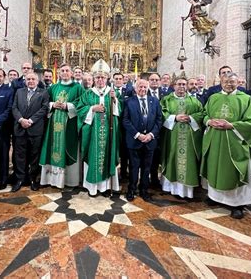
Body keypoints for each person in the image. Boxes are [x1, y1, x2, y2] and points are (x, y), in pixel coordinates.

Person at [200, 72, 251, 219]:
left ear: (238, 82)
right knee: (215, 168)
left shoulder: (245, 99)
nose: (228, 84)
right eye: (226, 81)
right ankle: (215, 197)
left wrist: (231, 125)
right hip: (215, 140)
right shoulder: (214, 98)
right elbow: (204, 114)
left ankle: (237, 204)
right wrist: (209, 122)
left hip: (236, 142)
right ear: (221, 82)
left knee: (234, 171)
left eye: (232, 82)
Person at [77, 60, 122, 196]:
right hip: (92, 134)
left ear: (107, 78)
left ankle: (107, 187)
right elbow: (80, 109)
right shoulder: (88, 94)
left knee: (108, 156)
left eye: (103, 77)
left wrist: (115, 101)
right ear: (94, 79)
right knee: (93, 157)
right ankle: (92, 188)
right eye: (97, 77)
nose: (100, 80)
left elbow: (119, 112)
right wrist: (92, 108)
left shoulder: (113, 93)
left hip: (109, 134)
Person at [40, 64, 84, 188]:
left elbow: (82, 104)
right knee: (52, 147)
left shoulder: (78, 88)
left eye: (67, 71)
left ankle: (70, 181)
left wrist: (67, 106)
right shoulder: (53, 87)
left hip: (69, 125)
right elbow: (44, 102)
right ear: (59, 73)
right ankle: (51, 179)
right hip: (53, 125)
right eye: (62, 70)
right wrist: (52, 105)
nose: (65, 72)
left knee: (68, 147)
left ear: (71, 73)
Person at [160, 77, 203, 198]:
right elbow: (161, 112)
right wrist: (174, 118)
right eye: (179, 84)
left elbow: (202, 113)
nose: (182, 86)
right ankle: (169, 187)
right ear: (174, 86)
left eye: (184, 84)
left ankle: (186, 191)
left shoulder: (194, 101)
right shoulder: (167, 100)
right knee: (171, 159)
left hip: (189, 139)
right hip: (172, 137)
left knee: (187, 162)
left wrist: (190, 118)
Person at [123, 79, 162, 201]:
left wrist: (151, 135)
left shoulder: (155, 101)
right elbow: (125, 120)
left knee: (147, 168)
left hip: (150, 141)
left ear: (148, 88)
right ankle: (131, 189)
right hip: (134, 141)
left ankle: (144, 190)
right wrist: (137, 135)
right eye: (140, 87)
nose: (143, 89)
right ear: (135, 88)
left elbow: (159, 120)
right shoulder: (129, 102)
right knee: (134, 167)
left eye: (145, 87)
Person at [11, 72, 49, 192]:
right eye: (28, 79)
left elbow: (44, 108)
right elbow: (14, 107)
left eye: (33, 79)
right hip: (20, 128)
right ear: (25, 81)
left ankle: (33, 179)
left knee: (34, 156)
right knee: (19, 156)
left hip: (35, 129)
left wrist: (31, 121)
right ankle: (20, 179)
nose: (31, 81)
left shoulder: (43, 92)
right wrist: (21, 120)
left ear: (37, 81)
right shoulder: (19, 92)